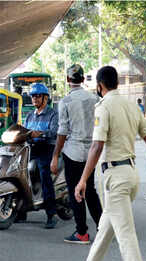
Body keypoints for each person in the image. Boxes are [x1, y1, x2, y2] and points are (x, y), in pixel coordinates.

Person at [68, 66, 146, 261]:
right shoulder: (132, 106)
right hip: (130, 176)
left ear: (100, 86)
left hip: (115, 179)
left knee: (126, 235)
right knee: (105, 230)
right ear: (117, 83)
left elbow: (97, 146)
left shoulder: (104, 106)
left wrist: (82, 180)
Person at [50, 64, 102, 244]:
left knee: (76, 192)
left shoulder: (65, 102)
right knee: (91, 191)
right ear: (82, 79)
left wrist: (55, 155)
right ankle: (103, 229)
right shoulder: (95, 99)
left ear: (67, 80)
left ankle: (82, 233)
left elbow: (62, 131)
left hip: (72, 152)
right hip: (92, 152)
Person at [23, 83, 58, 229]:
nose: (34, 99)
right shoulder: (30, 115)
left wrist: (42, 133)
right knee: (21, 172)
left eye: (38, 96)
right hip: (31, 148)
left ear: (45, 98)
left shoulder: (53, 114)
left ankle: (51, 214)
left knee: (44, 173)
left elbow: (55, 131)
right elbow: (24, 131)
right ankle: (20, 210)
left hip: (47, 148)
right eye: (33, 96)